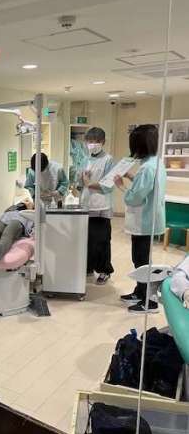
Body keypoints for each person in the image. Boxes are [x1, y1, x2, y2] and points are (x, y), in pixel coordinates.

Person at [114, 124, 166, 314]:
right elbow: (145, 186)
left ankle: (149, 301)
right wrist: (131, 177)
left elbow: (134, 198)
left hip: (144, 221)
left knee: (141, 260)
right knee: (141, 258)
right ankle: (140, 291)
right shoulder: (156, 163)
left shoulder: (147, 169)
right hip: (151, 219)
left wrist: (120, 185)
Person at [80, 127, 115, 285]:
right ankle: (88, 267)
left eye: (96, 141)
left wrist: (89, 183)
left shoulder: (108, 160)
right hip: (86, 203)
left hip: (101, 206)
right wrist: (81, 180)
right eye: (90, 141)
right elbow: (80, 181)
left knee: (101, 240)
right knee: (87, 239)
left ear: (103, 142)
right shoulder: (85, 158)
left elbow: (108, 185)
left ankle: (104, 270)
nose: (92, 144)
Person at [0, 198, 34, 263]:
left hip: (19, 220)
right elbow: (5, 212)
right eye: (26, 200)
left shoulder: (32, 211)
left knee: (8, 233)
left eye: (28, 200)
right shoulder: (14, 207)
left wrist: (29, 208)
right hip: (4, 218)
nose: (27, 201)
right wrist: (19, 204)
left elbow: (32, 220)